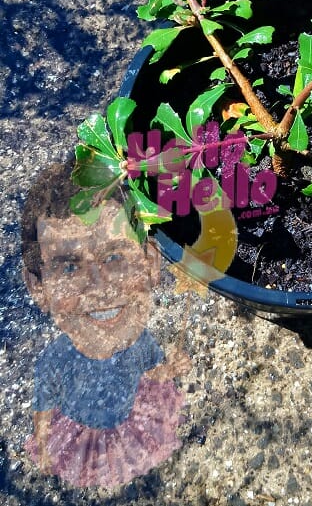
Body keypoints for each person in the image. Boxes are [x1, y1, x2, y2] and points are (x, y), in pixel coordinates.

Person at [21, 161, 189, 489]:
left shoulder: (142, 344)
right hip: (82, 434)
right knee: (88, 470)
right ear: (37, 288)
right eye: (68, 268)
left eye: (114, 258)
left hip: (131, 423)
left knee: (136, 461)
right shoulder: (55, 359)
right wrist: (42, 446)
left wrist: (169, 370)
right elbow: (43, 407)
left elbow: (150, 376)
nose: (99, 288)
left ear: (152, 263)